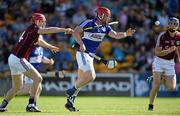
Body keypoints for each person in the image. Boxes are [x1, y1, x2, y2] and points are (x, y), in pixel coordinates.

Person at [65, 7, 135, 111]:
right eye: (107, 15)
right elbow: (75, 32)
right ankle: (71, 90)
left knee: (81, 79)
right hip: (83, 53)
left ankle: (70, 102)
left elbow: (115, 35)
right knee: (91, 76)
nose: (109, 17)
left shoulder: (106, 27)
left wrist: (126, 34)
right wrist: (81, 44)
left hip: (91, 55)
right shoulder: (88, 23)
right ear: (101, 15)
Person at [0, 13, 73, 112]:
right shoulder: (34, 28)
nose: (44, 24)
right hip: (19, 59)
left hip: (13, 58)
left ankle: (2, 106)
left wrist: (51, 47)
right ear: (38, 21)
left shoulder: (31, 30)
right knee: (38, 78)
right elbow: (49, 30)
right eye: (43, 21)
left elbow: (39, 41)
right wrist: (64, 30)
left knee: (17, 87)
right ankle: (31, 105)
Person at [148, 17, 180, 111]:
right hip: (159, 61)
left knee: (171, 88)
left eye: (175, 24)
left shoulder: (179, 36)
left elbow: (178, 49)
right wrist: (168, 50)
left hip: (170, 63)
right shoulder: (162, 35)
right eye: (171, 23)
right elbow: (157, 53)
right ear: (168, 24)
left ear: (177, 26)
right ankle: (151, 105)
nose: (173, 25)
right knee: (156, 85)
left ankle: (160, 77)